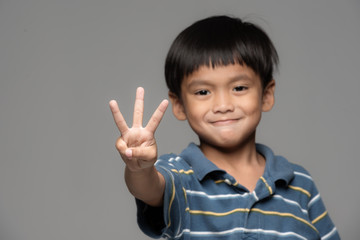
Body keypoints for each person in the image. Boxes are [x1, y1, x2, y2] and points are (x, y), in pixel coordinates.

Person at [109, 15, 340, 240]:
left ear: (267, 95)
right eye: (203, 92)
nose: (223, 105)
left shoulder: (299, 183)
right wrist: (140, 169)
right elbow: (149, 189)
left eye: (239, 88)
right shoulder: (180, 177)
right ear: (178, 104)